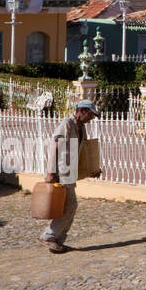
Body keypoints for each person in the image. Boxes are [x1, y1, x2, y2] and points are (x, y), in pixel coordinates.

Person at [40, 100, 99, 253]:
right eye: (90, 115)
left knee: (68, 207)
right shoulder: (67, 123)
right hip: (61, 171)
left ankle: (57, 240)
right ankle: (49, 236)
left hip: (70, 172)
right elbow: (55, 147)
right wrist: (51, 172)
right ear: (82, 111)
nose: (91, 118)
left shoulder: (81, 128)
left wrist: (91, 169)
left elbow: (82, 150)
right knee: (70, 206)